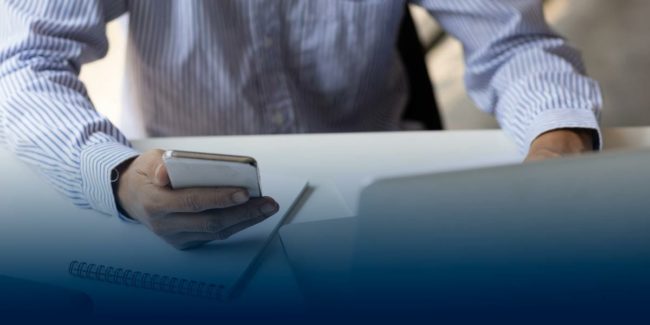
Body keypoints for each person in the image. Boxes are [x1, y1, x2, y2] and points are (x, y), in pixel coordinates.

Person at [0, 0, 601, 249]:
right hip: (172, 198)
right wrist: (114, 175)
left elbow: (513, 41)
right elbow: (24, 61)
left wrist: (559, 144)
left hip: (379, 197)